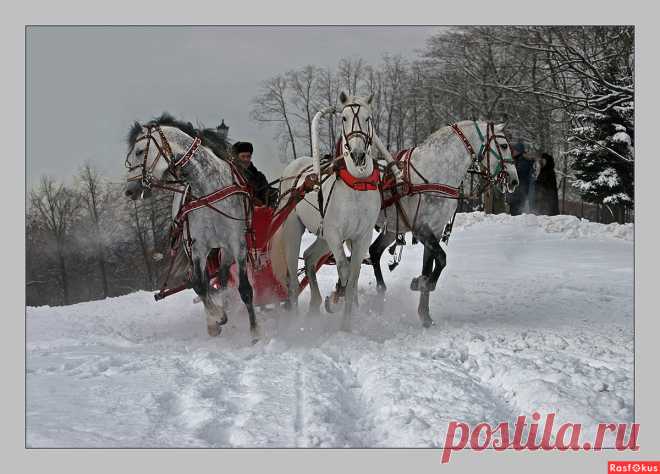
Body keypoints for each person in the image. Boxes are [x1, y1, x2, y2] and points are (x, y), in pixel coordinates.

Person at [231, 141, 277, 206]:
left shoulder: (259, 177)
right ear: (237, 157)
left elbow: (266, 195)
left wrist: (263, 201)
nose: (246, 159)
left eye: (248, 156)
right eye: (243, 156)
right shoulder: (231, 174)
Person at [507, 142, 533, 216]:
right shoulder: (516, 160)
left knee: (517, 213)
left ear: (519, 151)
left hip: (520, 192)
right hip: (516, 192)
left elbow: (519, 173)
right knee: (513, 212)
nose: (513, 151)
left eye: (515, 150)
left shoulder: (523, 161)